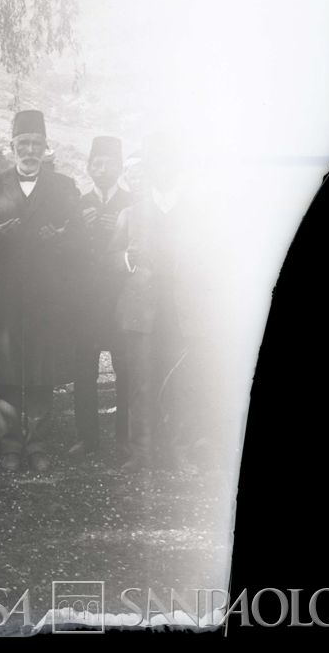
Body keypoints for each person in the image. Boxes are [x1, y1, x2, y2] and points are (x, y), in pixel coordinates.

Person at [0, 110, 86, 473]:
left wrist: (61, 241)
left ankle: (38, 447)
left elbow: (81, 239)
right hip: (2, 297)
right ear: (11, 147)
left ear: (46, 148)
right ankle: (11, 448)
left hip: (45, 297)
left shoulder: (63, 187)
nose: (30, 150)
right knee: (6, 373)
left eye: (36, 144)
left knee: (40, 371)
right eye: (23, 144)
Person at [110, 133, 201, 472]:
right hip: (142, 312)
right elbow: (109, 259)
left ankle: (180, 453)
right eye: (157, 162)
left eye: (170, 161)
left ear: (179, 167)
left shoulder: (196, 213)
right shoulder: (131, 213)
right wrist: (127, 261)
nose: (164, 168)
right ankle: (142, 455)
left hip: (182, 312)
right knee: (141, 384)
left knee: (181, 383)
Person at [69, 136, 135, 457]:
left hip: (122, 300)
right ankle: (87, 439)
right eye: (97, 162)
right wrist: (80, 229)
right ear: (88, 167)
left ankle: (124, 439)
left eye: (109, 162)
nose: (102, 168)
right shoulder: (77, 205)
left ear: (120, 167)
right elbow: (66, 250)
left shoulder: (133, 204)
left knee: (125, 369)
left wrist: (117, 233)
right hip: (85, 302)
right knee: (84, 370)